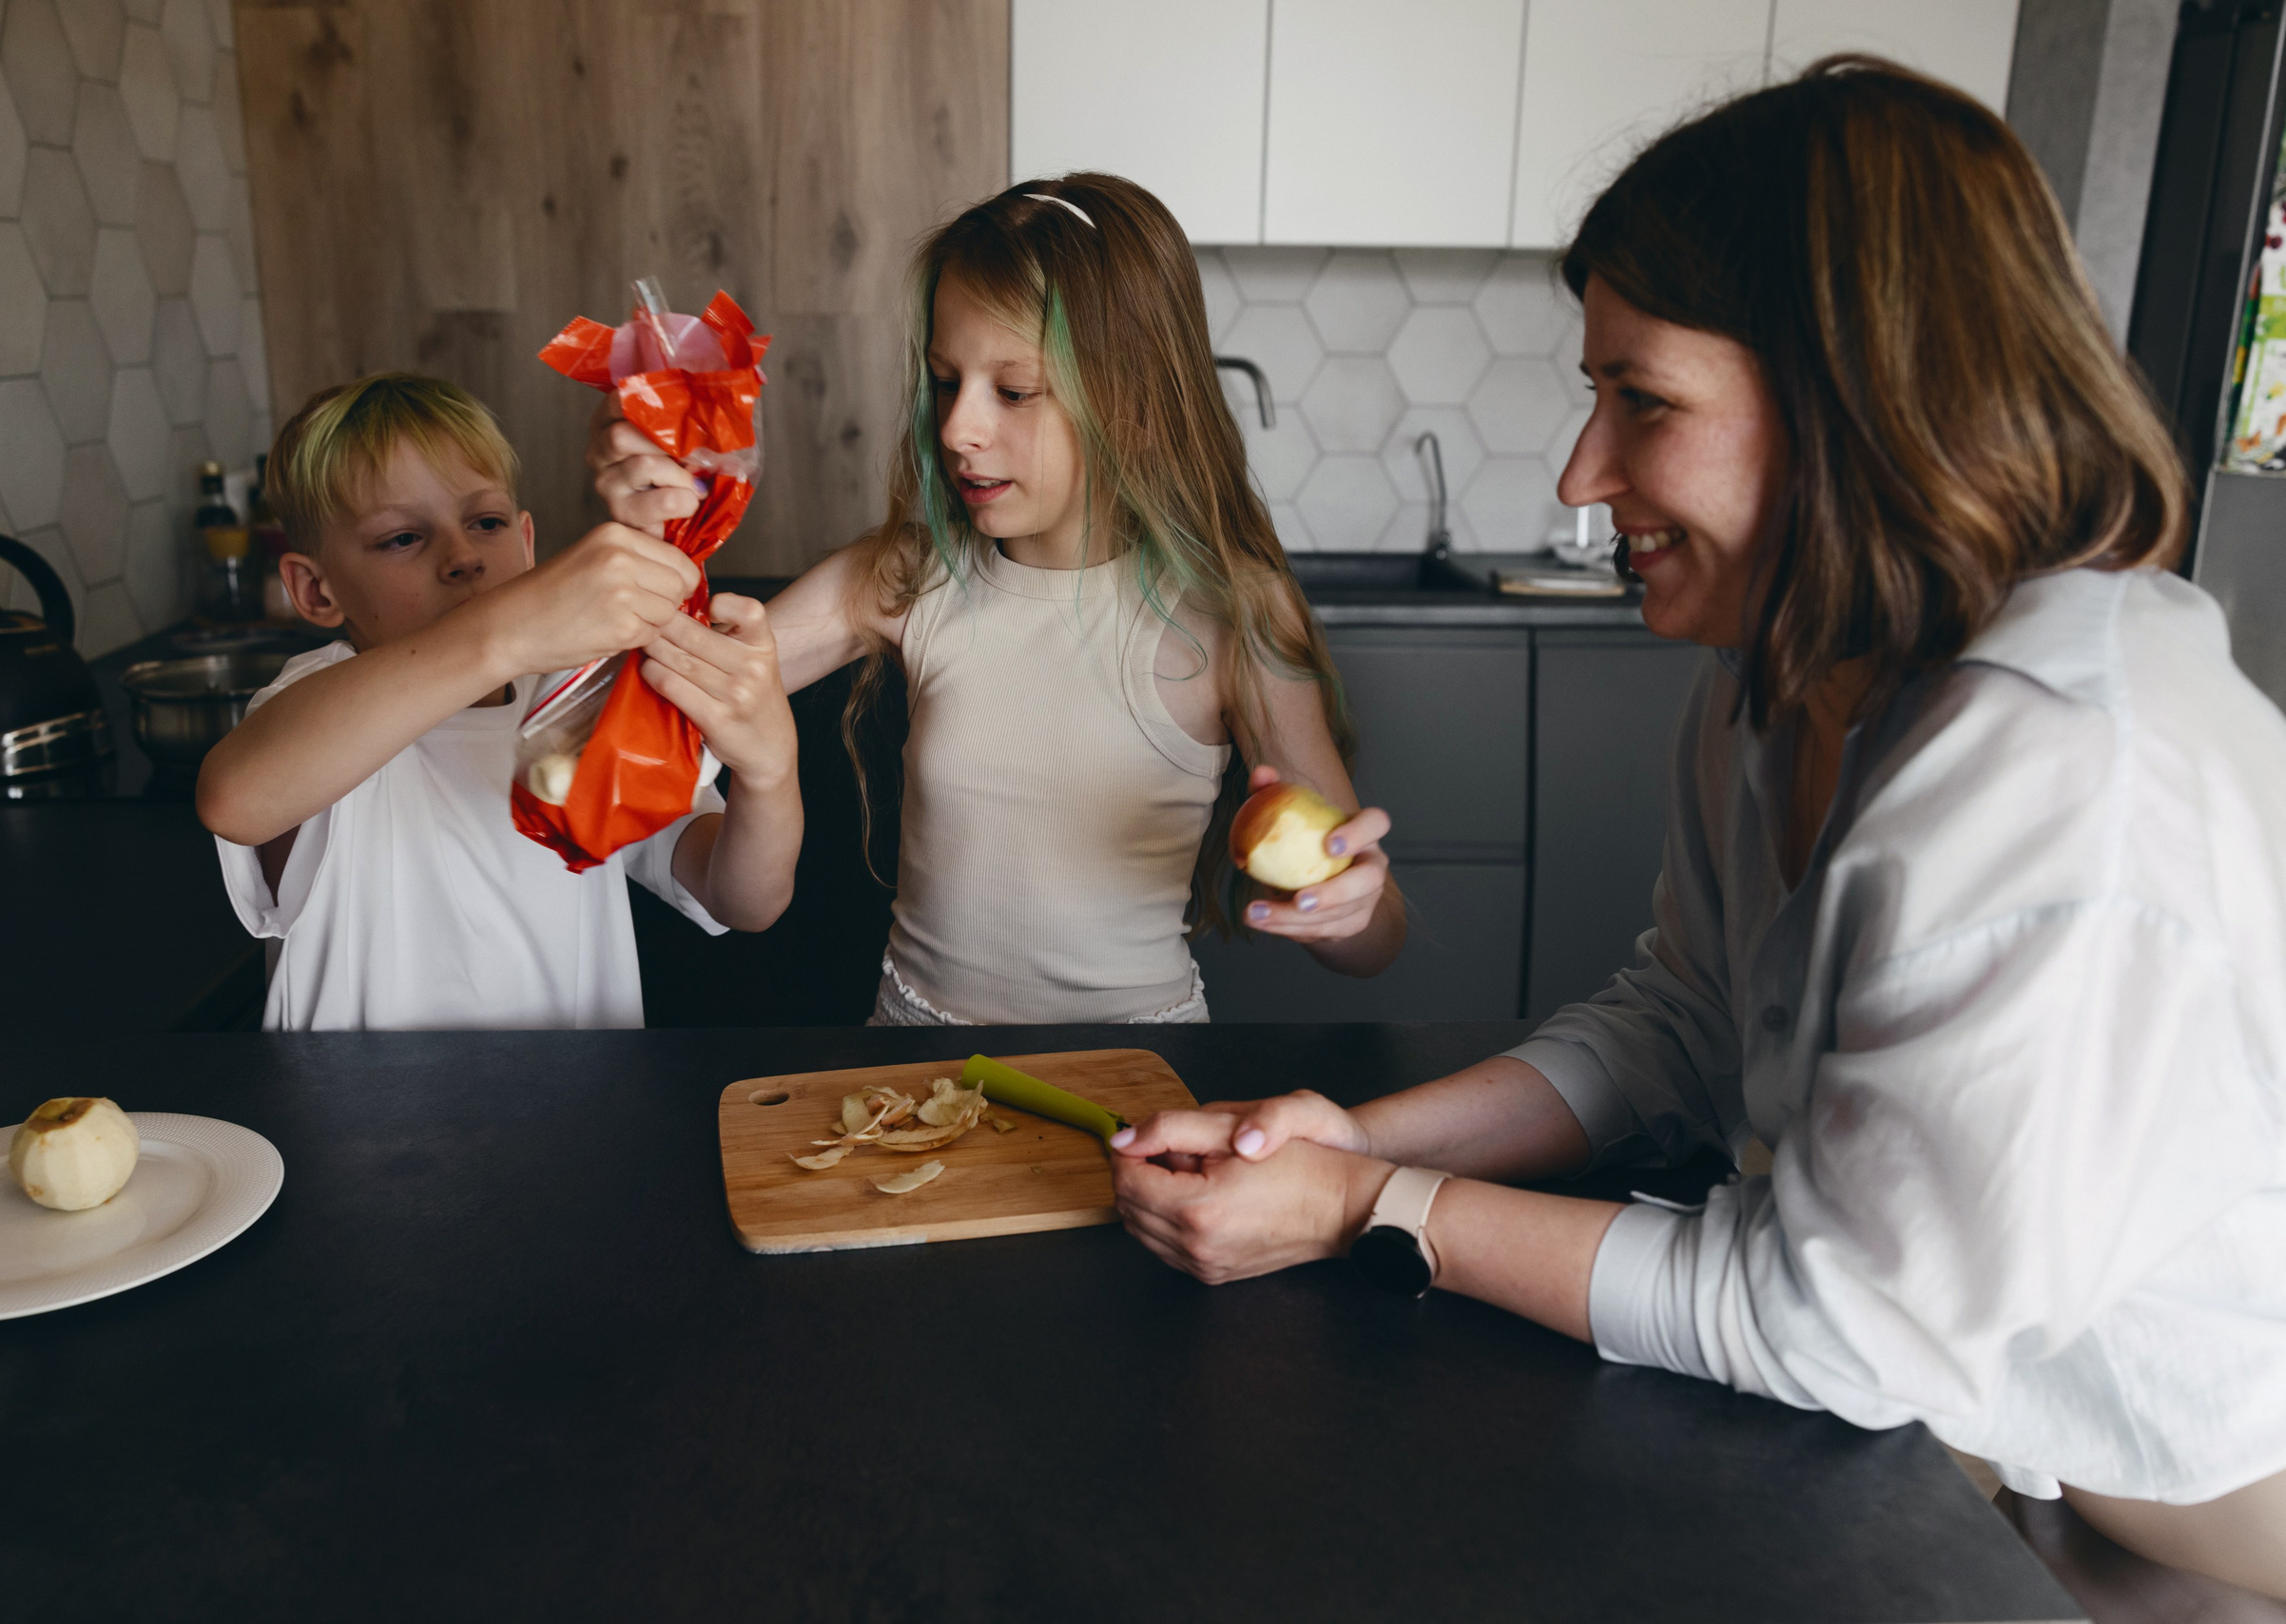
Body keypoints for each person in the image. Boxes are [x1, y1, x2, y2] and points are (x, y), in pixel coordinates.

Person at [1108, 59, 2286, 1603]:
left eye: (1642, 400)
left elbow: (1840, 1326)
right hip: (1961, 1439)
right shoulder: (1769, 686)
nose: (1581, 478)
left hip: (2192, 1520)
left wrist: (1365, 1210)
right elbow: (1683, 1016)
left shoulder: (2062, 773)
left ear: (1857, 399)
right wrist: (1352, 1136)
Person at [588, 175, 1405, 1024]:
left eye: (1013, 392)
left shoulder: (1235, 615)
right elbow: (660, 694)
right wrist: (657, 529)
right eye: (947, 381)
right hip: (913, 1074)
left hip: (1137, 1079)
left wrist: (1341, 910)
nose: (956, 429)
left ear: (1135, 407)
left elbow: (1375, 943)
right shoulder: (908, 576)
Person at [198, 372, 803, 1031]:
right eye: (403, 538)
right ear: (315, 591)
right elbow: (236, 801)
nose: (462, 558)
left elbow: (743, 898)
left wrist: (770, 773)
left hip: (578, 1117)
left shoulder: (582, 703)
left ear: (527, 542)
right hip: (355, 1126)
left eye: (485, 523)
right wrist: (504, 634)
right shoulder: (314, 699)